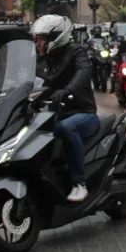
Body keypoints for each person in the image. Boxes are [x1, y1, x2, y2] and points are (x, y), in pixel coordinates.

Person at [31, 14, 97, 202]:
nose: (38, 44)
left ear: (55, 38)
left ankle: (79, 183)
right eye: (36, 40)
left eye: (41, 39)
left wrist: (67, 90)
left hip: (83, 113)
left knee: (67, 127)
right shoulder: (44, 59)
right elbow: (33, 79)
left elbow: (84, 71)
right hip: (55, 114)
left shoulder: (77, 52)